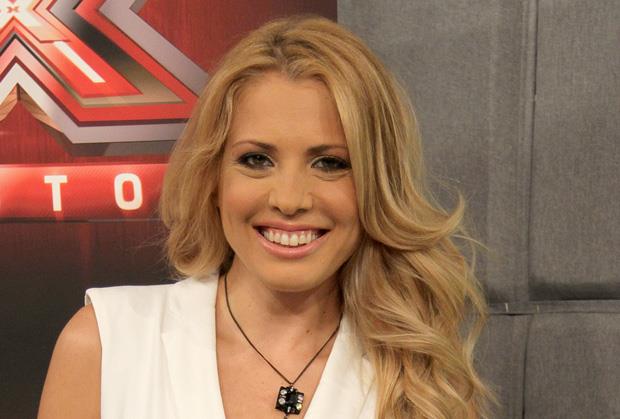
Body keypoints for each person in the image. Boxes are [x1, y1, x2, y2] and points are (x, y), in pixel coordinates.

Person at [38, 15, 491, 419]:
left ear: (376, 184)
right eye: (256, 160)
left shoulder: (425, 382)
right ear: (213, 177)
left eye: (330, 163)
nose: (289, 199)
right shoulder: (106, 345)